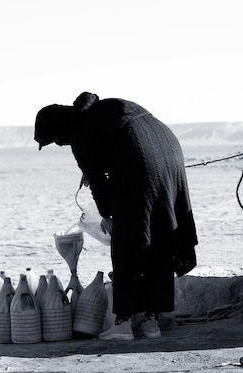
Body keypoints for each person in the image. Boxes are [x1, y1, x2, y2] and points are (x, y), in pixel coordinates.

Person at [34, 92, 198, 341]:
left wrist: (108, 216)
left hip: (143, 163)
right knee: (160, 235)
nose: (60, 144)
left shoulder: (80, 132)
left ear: (60, 129)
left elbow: (99, 183)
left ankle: (122, 324)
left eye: (56, 140)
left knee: (128, 244)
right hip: (169, 155)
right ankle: (154, 321)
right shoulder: (104, 110)